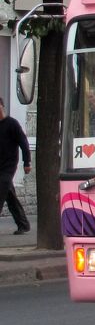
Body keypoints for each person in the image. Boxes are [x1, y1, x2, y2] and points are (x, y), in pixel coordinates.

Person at [0, 97, 31, 235]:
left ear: (2, 106)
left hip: (8, 166)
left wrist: (27, 162)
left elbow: (23, 142)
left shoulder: (11, 123)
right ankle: (23, 224)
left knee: (1, 188)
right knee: (9, 195)